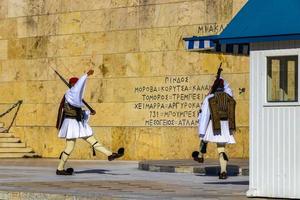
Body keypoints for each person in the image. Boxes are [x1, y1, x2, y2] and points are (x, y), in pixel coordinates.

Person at [56, 69, 124, 175]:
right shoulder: (70, 94)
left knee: (93, 141)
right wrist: (86, 75)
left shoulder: (73, 96)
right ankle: (60, 169)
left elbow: (77, 109)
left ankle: (111, 154)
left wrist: (88, 113)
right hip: (71, 124)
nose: (78, 87)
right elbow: (76, 94)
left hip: (78, 123)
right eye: (76, 84)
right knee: (69, 147)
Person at [192, 77, 236, 179]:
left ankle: (200, 155)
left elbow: (205, 115)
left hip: (213, 124)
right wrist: (220, 79)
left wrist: (202, 129)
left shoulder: (210, 98)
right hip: (225, 125)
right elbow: (228, 89)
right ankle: (223, 171)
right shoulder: (229, 97)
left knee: (204, 138)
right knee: (221, 149)